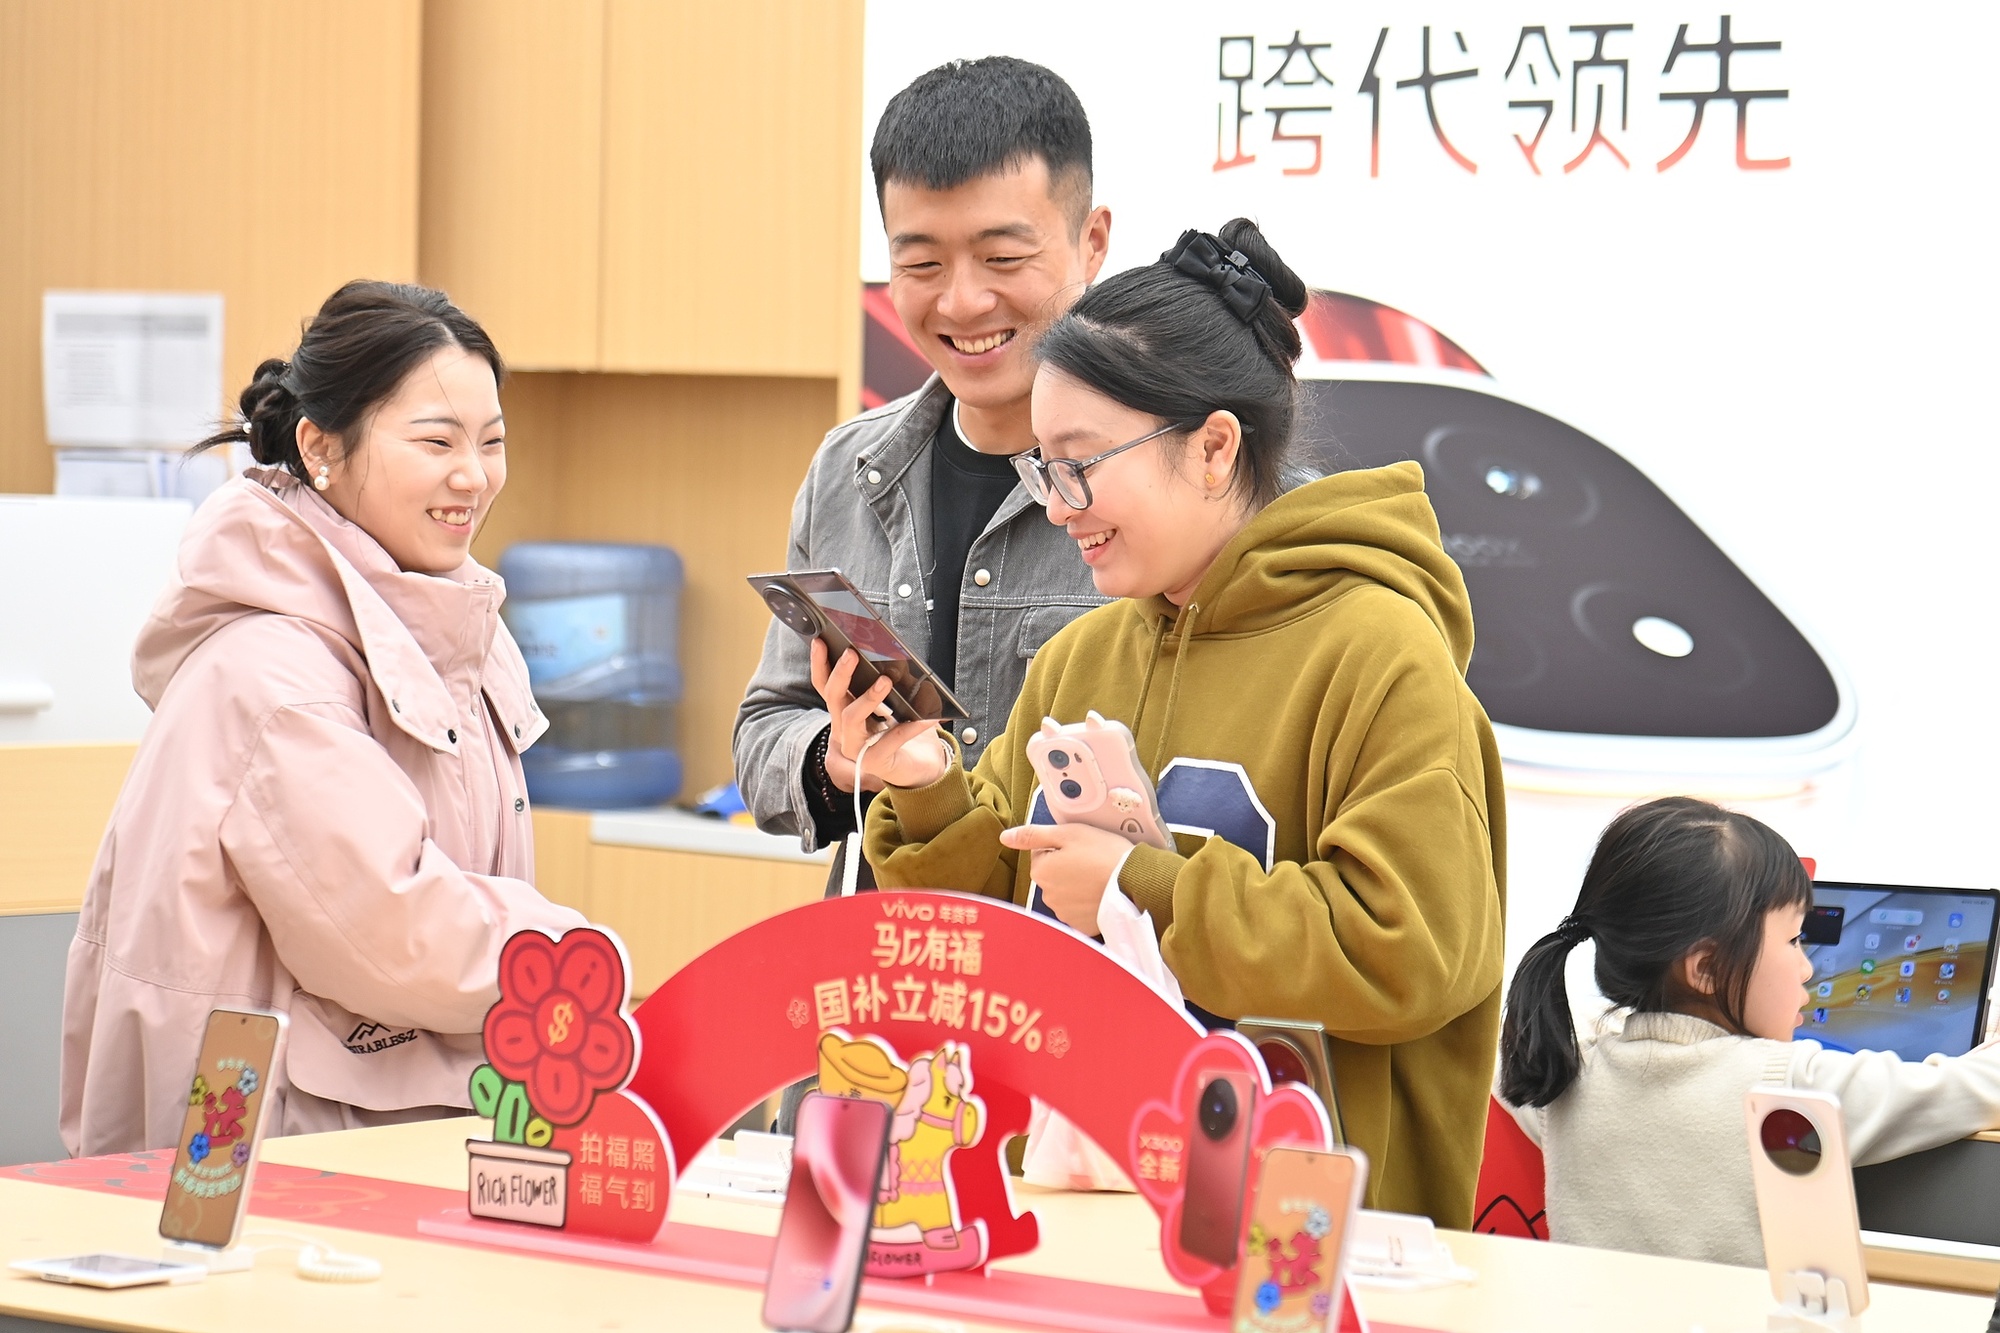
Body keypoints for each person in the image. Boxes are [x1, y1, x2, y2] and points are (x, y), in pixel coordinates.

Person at [834, 219, 1507, 1228]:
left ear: (1213, 447)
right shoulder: (1082, 656)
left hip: (1307, 1249)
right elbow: (997, 934)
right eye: (1041, 469)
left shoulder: (1381, 656)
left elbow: (1412, 951)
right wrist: (925, 784)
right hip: (1081, 1227)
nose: (1056, 506)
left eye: (1078, 464)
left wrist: (1138, 886)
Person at [61, 280, 587, 1156]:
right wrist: (569, 961)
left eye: (492, 441)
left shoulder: (451, 627)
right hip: (275, 1153)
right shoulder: (274, 671)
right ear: (320, 447)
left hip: (384, 1120)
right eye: (437, 441)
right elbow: (387, 927)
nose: (473, 474)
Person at [734, 56, 1113, 885]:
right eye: (921, 265)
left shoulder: (1154, 479)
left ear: (1092, 242)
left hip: (1067, 952)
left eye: (1002, 258)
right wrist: (841, 761)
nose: (962, 302)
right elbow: (765, 729)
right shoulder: (848, 467)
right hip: (887, 953)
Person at [1498, 797, 2000, 1268]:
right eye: (1794, 939)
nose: (1808, 968)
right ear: (1706, 968)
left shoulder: (1562, 1075)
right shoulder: (1789, 1085)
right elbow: (1974, 1088)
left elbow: (1581, 1031)